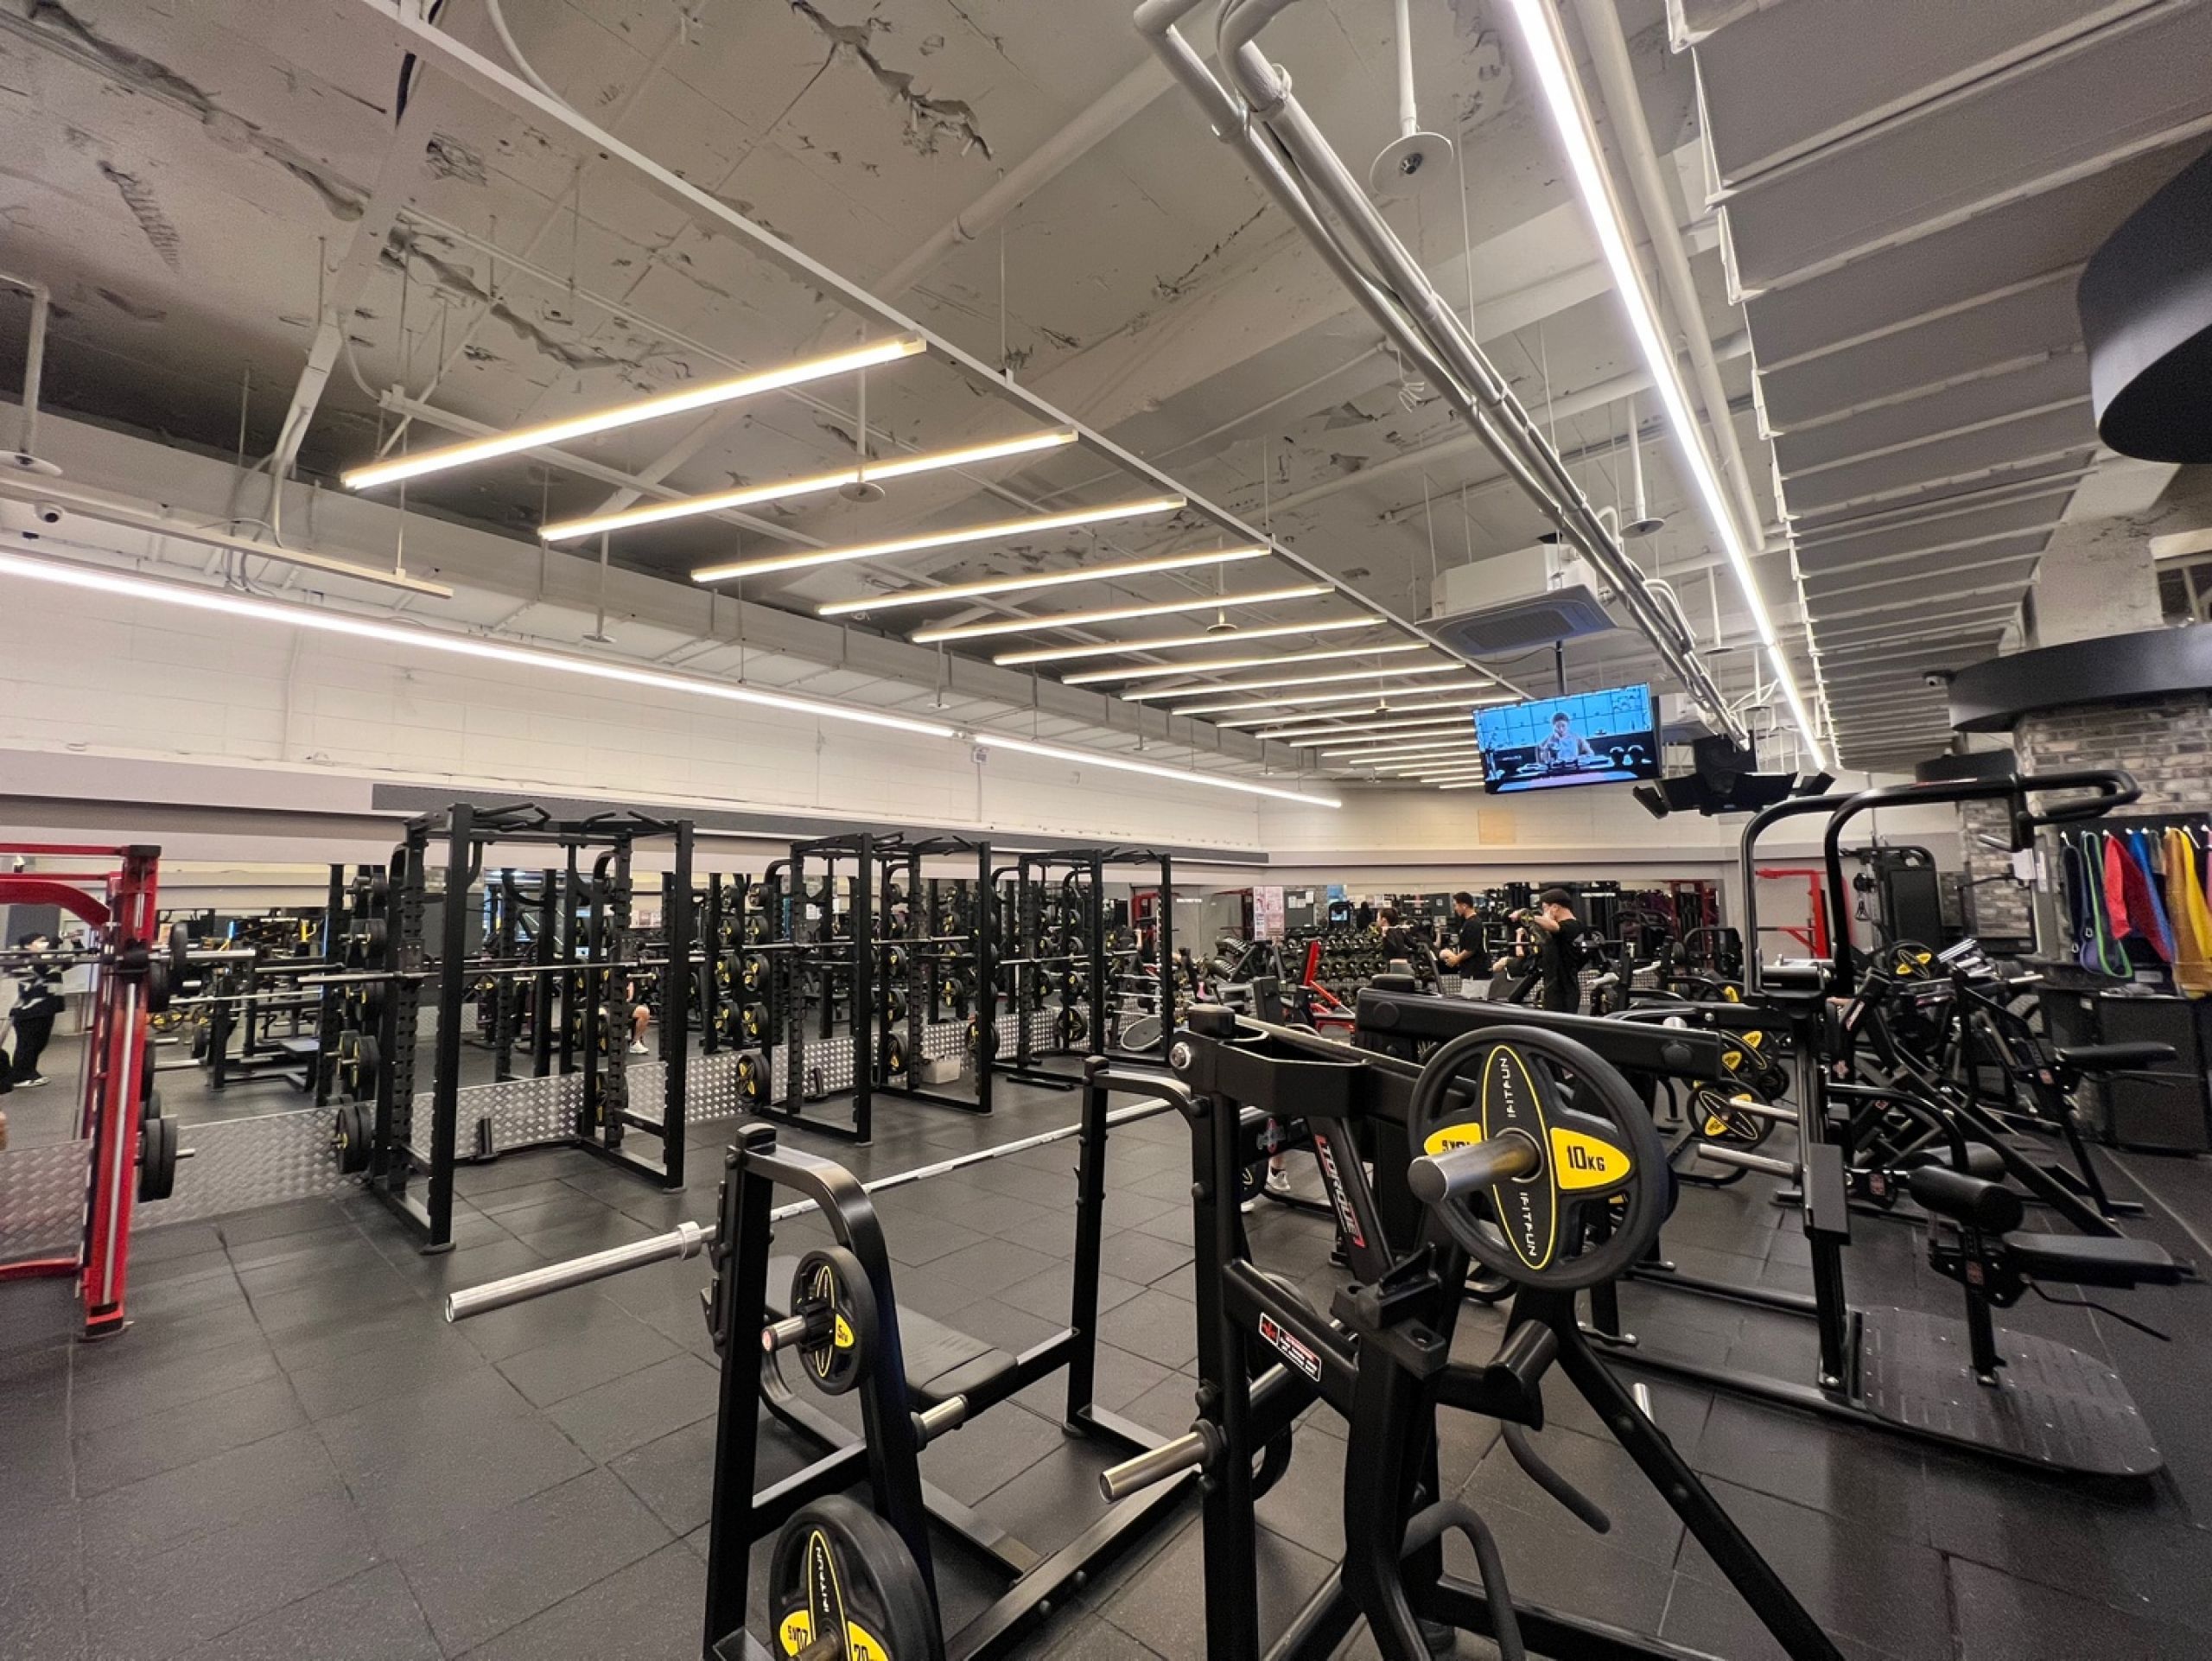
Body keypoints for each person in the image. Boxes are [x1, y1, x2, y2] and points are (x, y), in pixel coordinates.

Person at [1518, 888, 1590, 1015]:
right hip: (1553, 989)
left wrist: (1528, 916)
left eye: (1545, 908)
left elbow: (1554, 927)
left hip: (1564, 992)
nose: (1544, 913)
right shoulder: (1557, 931)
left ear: (1555, 907)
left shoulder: (1573, 926)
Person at [8, 933, 64, 1088]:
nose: (44, 944)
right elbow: (40, 969)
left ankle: (30, 1072)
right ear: (28, 945)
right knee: (27, 1044)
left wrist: (76, 942)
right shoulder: (22, 960)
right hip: (28, 1010)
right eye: (41, 942)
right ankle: (19, 1076)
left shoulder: (49, 959)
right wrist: (52, 947)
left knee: (39, 1043)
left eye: (46, 941)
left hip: (47, 1007)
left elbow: (70, 962)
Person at [1535, 710, 1600, 770]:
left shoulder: (1576, 738)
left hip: (1576, 769)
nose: (1561, 729)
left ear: (1568, 725)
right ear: (1553, 727)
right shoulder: (1549, 740)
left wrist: (1580, 758)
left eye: (1563, 726)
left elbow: (1590, 753)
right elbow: (1541, 756)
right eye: (1558, 727)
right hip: (1557, 771)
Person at [1437, 893, 1484, 975]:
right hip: (1469, 970)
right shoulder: (1468, 922)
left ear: (1464, 906)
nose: (1455, 908)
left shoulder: (1473, 923)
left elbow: (1471, 949)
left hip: (1475, 972)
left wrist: (1456, 959)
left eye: (1456, 905)